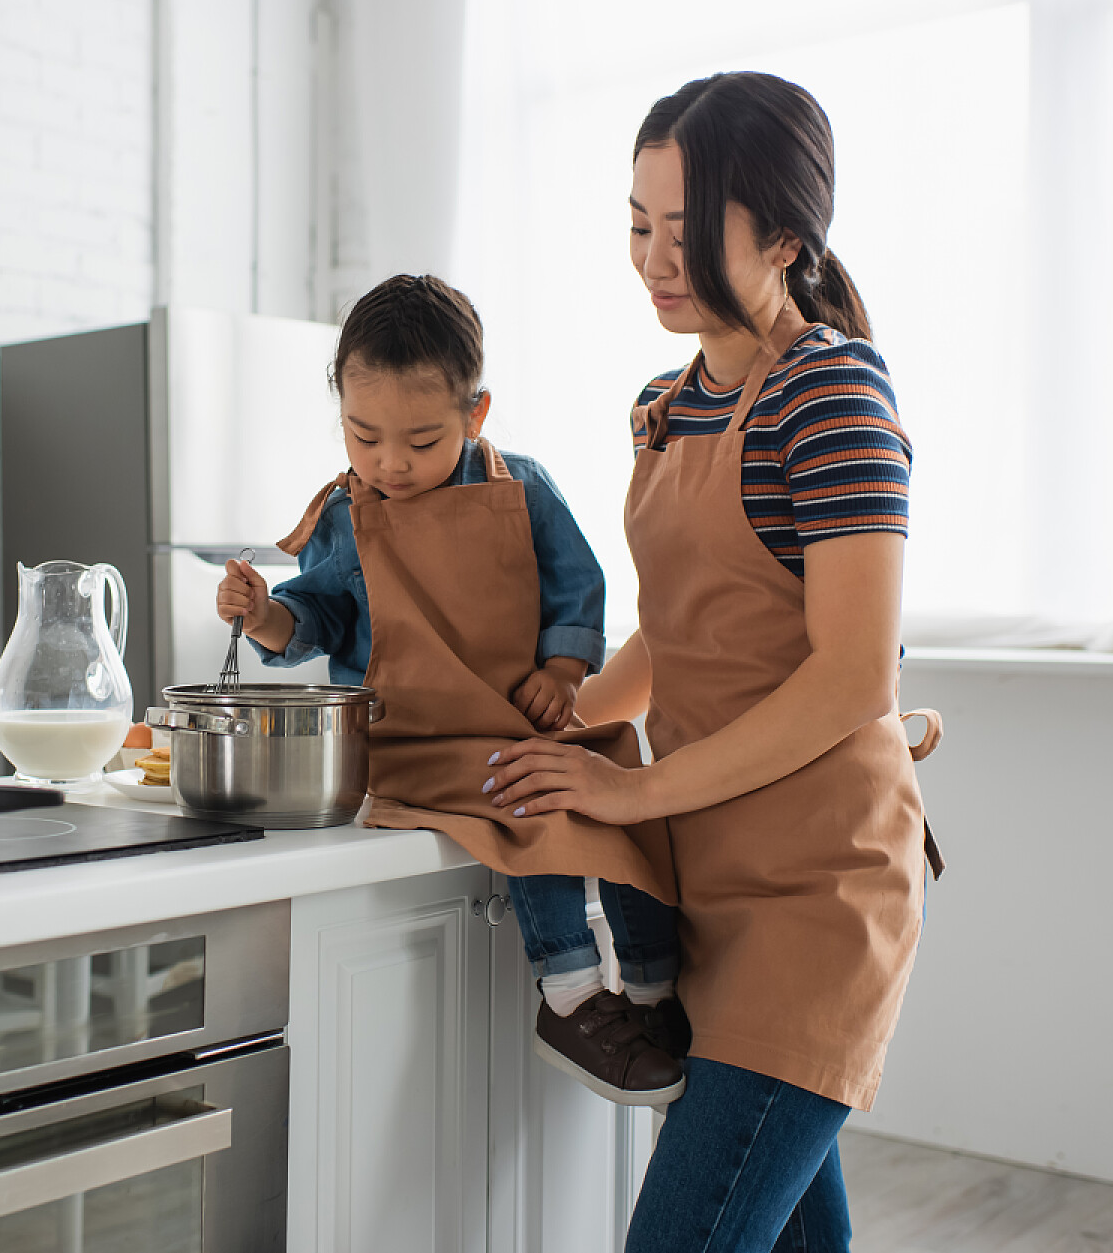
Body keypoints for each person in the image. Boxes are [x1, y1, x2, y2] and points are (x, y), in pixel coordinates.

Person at [482, 72, 945, 1251]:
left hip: (815, 896)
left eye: (685, 232)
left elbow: (854, 677)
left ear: (784, 237)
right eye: (638, 225)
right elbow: (683, 626)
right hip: (707, 883)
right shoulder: (663, 406)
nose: (653, 260)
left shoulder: (831, 395)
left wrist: (628, 791)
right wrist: (570, 713)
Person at [216, 273, 689, 1104]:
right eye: (363, 437)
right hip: (405, 746)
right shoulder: (346, 515)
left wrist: (561, 673)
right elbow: (313, 619)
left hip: (512, 722)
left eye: (421, 440)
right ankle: (571, 995)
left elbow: (578, 589)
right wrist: (263, 616)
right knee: (527, 798)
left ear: (476, 414)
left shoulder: (522, 490)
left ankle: (654, 986)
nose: (390, 462)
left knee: (622, 786)